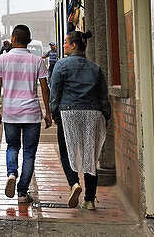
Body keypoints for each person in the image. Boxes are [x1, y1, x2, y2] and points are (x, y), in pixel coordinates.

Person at [49, 30, 112, 210]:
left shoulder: (61, 66)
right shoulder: (95, 68)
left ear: (74, 45)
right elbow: (103, 97)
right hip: (92, 114)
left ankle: (74, 184)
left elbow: (55, 94)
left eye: (66, 42)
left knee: (66, 152)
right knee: (90, 157)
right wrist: (105, 116)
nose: (63, 45)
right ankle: (90, 200)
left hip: (68, 114)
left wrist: (54, 113)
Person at [0, 24, 52, 203]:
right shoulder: (37, 61)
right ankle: (22, 193)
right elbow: (45, 89)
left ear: (13, 39)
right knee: (29, 152)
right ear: (29, 42)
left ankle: (11, 174)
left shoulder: (2, 60)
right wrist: (47, 112)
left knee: (12, 147)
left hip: (11, 112)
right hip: (31, 113)